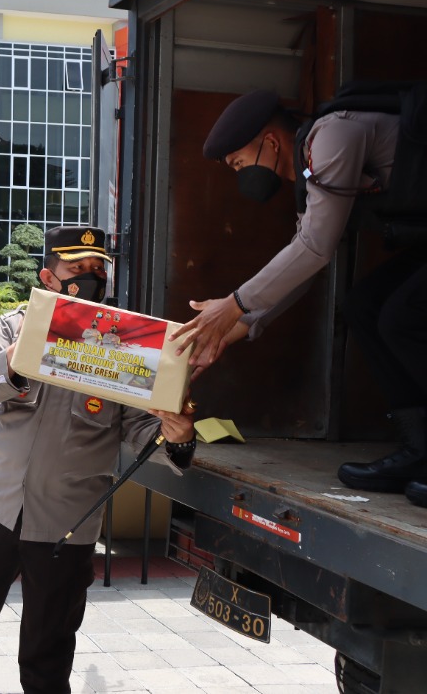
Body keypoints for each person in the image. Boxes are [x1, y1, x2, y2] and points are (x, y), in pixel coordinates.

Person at [0, 226, 198, 694]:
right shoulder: (14, 326)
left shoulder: (125, 346)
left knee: (50, 641)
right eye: (78, 269)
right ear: (50, 277)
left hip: (70, 520)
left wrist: (179, 435)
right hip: (0, 505)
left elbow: (140, 428)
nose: (90, 277)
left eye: (97, 269)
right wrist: (20, 351)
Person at [168, 90, 420, 497]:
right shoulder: (310, 168)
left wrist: (232, 306)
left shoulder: (334, 136)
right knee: (364, 307)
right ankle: (419, 447)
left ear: (270, 142)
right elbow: (304, 263)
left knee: (401, 316)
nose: (239, 175)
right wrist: (236, 326)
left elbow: (316, 248)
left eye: (238, 163)